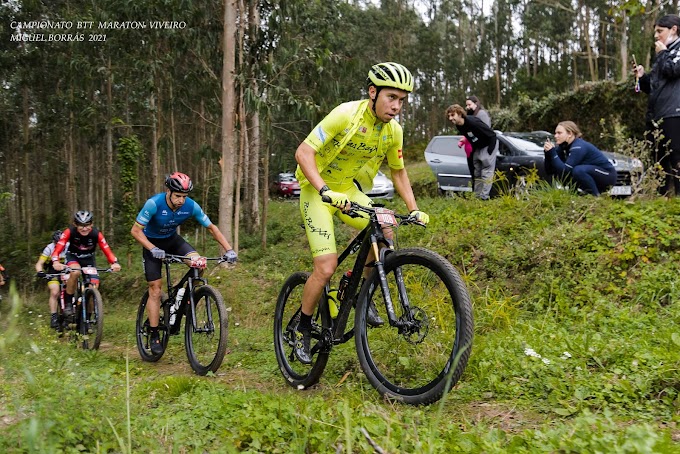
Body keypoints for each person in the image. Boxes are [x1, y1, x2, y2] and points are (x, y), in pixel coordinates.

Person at [293, 62, 429, 364]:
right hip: (318, 190)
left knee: (385, 229)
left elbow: (399, 173)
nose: (396, 106)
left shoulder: (393, 132)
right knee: (325, 267)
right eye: (391, 97)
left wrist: (414, 209)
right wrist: (325, 190)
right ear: (373, 92)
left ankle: (356, 291)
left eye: (401, 100)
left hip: (349, 190)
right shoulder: (345, 114)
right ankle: (302, 326)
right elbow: (304, 152)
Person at [131, 172, 237, 355]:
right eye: (178, 196)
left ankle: (184, 298)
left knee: (199, 264)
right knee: (155, 289)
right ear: (168, 191)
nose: (181, 200)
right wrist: (152, 248)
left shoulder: (190, 206)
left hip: (172, 240)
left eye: (184, 197)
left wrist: (229, 249)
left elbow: (212, 228)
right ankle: (154, 333)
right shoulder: (154, 204)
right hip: (151, 243)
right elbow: (135, 231)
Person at [633, 14, 680, 196]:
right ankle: (662, 201)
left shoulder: (668, 52)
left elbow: (674, 70)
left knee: (676, 156)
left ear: (674, 29)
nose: (656, 36)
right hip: (657, 114)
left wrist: (662, 54)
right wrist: (643, 77)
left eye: (660, 31)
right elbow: (654, 87)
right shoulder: (664, 53)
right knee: (658, 159)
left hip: (675, 113)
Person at [51, 212, 121, 311]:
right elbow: (58, 248)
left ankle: (87, 318)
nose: (84, 228)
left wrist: (114, 262)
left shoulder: (96, 234)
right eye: (81, 225)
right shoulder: (69, 232)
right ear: (75, 225)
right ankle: (68, 302)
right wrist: (55, 261)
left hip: (89, 259)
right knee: (75, 272)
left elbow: (107, 249)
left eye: (87, 225)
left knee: (94, 287)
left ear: (91, 224)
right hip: (73, 257)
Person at [543, 121, 616, 196]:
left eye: (559, 133)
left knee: (577, 170)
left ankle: (595, 198)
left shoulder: (578, 146)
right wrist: (548, 154)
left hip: (607, 176)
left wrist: (552, 152)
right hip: (590, 175)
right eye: (555, 133)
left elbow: (566, 170)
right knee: (562, 172)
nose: (555, 136)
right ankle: (576, 197)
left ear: (570, 134)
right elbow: (550, 171)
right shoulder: (562, 147)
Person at [446, 104, 498, 200]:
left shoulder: (473, 122)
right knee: (477, 172)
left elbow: (492, 135)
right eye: (449, 116)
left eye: (452, 115)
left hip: (487, 145)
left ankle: (484, 197)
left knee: (486, 172)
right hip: (478, 147)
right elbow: (470, 137)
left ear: (460, 114)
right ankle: (477, 197)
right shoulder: (459, 126)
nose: (450, 118)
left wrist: (490, 152)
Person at [35, 230, 69, 329]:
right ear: (53, 242)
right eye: (56, 243)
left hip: (66, 271)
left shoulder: (68, 246)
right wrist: (40, 271)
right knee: (55, 292)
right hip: (52, 272)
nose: (58, 245)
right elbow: (39, 263)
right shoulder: (49, 248)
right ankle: (54, 316)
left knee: (71, 290)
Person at [463, 96, 491, 190]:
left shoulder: (481, 114)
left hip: (481, 147)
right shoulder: (470, 116)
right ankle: (477, 194)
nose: (467, 107)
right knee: (475, 174)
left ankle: (483, 195)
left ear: (476, 103)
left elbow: (485, 130)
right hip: (472, 149)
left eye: (469, 104)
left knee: (483, 173)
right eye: (466, 105)